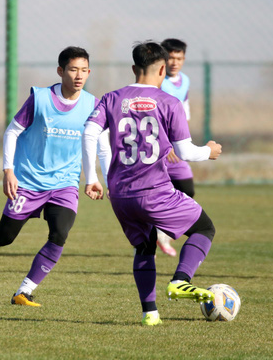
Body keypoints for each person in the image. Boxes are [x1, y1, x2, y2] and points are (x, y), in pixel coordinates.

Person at [82, 41, 222, 326]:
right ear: (162, 69)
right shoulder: (169, 102)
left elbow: (89, 133)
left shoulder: (111, 98)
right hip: (155, 191)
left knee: (144, 247)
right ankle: (181, 281)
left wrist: (93, 178)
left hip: (120, 195)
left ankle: (150, 314)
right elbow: (184, 153)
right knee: (205, 228)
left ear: (134, 68)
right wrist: (209, 151)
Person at [0, 46, 110, 307]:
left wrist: (96, 178)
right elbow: (11, 132)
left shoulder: (93, 105)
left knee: (60, 233)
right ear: (60, 71)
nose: (79, 75)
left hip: (64, 183)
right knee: (5, 237)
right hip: (28, 182)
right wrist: (8, 170)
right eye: (73, 69)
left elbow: (100, 145)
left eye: (84, 70)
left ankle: (24, 291)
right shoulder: (40, 99)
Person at [155, 38, 194, 257]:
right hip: (159, 149)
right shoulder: (158, 82)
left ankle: (163, 232)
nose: (174, 62)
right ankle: (147, 238)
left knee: (187, 190)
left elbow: (183, 111)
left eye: (179, 58)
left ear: (184, 59)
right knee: (151, 192)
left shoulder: (185, 81)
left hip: (176, 149)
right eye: (170, 58)